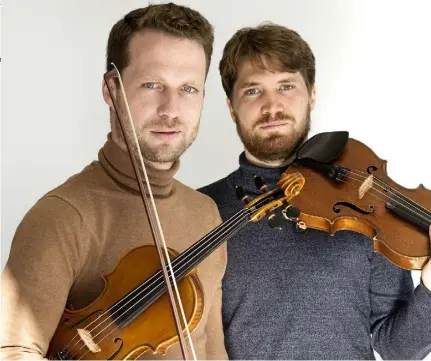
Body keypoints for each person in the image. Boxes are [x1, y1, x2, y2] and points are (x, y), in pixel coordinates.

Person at [1, 3, 228, 360]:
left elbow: (211, 350)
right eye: (152, 84)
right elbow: (14, 353)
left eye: (188, 88)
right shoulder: (62, 218)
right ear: (111, 90)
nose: (171, 109)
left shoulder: (206, 214)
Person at [199, 23, 431, 360]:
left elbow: (398, 347)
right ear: (231, 107)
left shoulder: (364, 204)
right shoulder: (202, 210)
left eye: (286, 86)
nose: (272, 105)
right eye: (253, 91)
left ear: (312, 94)